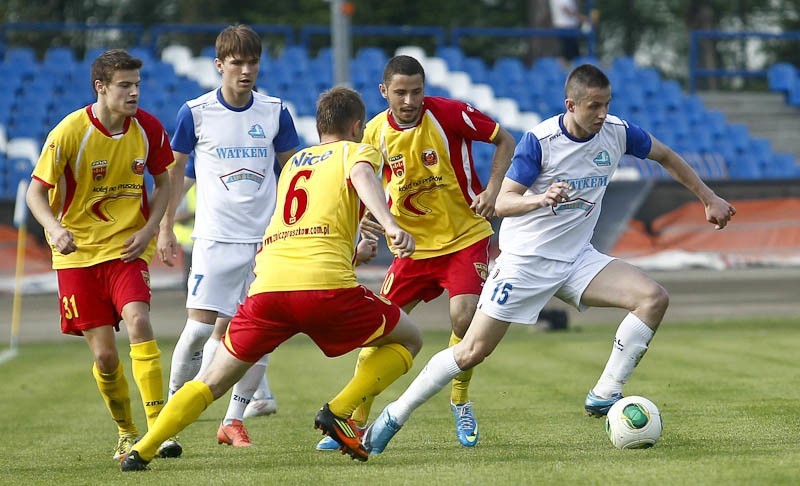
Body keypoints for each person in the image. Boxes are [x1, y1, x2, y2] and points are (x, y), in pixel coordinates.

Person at [362, 63, 737, 454]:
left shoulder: (617, 133)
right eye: (594, 106)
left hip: (577, 260)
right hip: (524, 263)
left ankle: (605, 392)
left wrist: (708, 197)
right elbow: (503, 203)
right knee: (472, 351)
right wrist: (539, 199)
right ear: (570, 104)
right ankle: (393, 416)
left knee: (652, 298)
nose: (602, 114)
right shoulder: (540, 141)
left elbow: (666, 155)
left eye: (607, 104)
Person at [120, 86, 420, 471]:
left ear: (319, 124)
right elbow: (362, 175)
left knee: (212, 381)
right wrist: (391, 225)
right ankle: (340, 411)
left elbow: (305, 226)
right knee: (409, 338)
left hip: (269, 286)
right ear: (358, 126)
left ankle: (142, 450)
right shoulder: (357, 151)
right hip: (324, 287)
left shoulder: (295, 165)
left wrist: (351, 250)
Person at [315, 55, 515, 451]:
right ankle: (353, 421)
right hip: (411, 248)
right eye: (401, 92)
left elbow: (504, 140)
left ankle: (459, 399)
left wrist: (492, 190)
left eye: (416, 91)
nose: (409, 100)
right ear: (383, 91)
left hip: (464, 237)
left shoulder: (450, 113)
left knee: (464, 313)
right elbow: (357, 185)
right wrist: (362, 230)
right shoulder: (372, 134)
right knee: (377, 333)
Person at [25, 49, 179, 460]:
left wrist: (150, 229)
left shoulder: (147, 128)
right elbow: (34, 193)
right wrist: (55, 229)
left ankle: (159, 430)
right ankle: (126, 431)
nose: (133, 94)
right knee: (105, 356)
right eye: (125, 86)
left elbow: (164, 184)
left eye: (137, 85)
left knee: (139, 320)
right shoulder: (70, 132)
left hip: (127, 249)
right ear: (101, 87)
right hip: (78, 258)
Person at [157, 24, 297, 448]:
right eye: (237, 62)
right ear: (220, 65)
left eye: (252, 61)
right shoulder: (195, 112)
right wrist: (165, 228)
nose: (246, 70)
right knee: (199, 330)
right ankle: (169, 414)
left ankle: (233, 419)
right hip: (215, 239)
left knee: (262, 331)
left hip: (266, 242)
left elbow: (293, 170)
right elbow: (174, 171)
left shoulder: (275, 111)